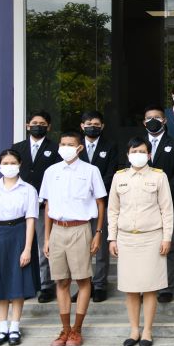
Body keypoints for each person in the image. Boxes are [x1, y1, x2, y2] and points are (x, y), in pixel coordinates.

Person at [39, 131, 107, 346]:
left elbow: (100, 203)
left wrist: (98, 233)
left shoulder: (91, 171)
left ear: (79, 148)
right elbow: (48, 206)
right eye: (63, 144)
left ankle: (77, 329)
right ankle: (65, 329)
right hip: (58, 230)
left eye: (70, 144)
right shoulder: (51, 171)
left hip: (80, 229)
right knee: (61, 281)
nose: (65, 147)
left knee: (83, 280)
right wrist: (47, 237)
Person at [107, 137, 173, 346]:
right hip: (126, 238)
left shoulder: (159, 176)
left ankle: (147, 331)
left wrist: (167, 237)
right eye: (134, 151)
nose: (138, 155)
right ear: (127, 154)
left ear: (149, 154)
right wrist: (112, 237)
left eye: (142, 151)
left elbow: (166, 210)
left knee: (150, 287)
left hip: (151, 238)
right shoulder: (119, 177)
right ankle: (134, 329)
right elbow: (113, 210)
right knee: (131, 288)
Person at [0, 149, 40, 346]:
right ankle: (2, 328)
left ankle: (14, 327)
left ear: (19, 164)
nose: (9, 166)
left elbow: (31, 220)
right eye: (5, 163)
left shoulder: (28, 190)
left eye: (13, 163)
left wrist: (27, 248)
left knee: (18, 281)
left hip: (20, 234)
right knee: (0, 280)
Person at [11, 110, 61, 303]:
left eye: (42, 124)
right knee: (22, 246)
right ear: (27, 126)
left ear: (48, 127)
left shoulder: (55, 148)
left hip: (43, 207)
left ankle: (46, 286)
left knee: (43, 247)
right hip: (20, 207)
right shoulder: (17, 148)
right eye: (34, 123)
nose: (37, 126)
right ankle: (23, 285)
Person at [143, 106, 174, 303]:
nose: (153, 120)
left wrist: (163, 194)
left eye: (157, 117)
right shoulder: (138, 145)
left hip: (172, 204)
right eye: (149, 118)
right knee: (146, 247)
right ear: (144, 122)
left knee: (169, 245)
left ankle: (166, 287)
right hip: (144, 205)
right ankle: (146, 285)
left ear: (165, 120)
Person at [77, 110, 118, 303]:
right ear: (82, 126)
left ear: (102, 126)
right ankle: (84, 285)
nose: (92, 127)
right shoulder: (76, 148)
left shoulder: (110, 146)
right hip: (79, 204)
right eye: (88, 124)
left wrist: (96, 191)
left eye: (96, 124)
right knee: (81, 247)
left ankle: (100, 284)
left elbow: (111, 172)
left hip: (103, 201)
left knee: (100, 246)